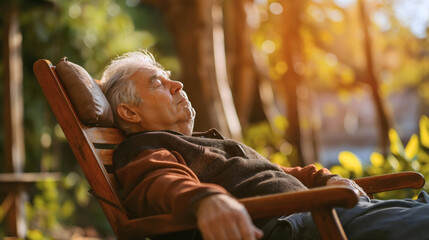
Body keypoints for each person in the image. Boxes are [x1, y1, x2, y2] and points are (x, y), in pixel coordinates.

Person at [101, 51, 429, 240]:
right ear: (131, 112)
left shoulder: (201, 145)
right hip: (294, 227)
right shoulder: (146, 149)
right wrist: (207, 200)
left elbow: (279, 172)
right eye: (157, 82)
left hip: (324, 212)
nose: (178, 84)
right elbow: (161, 183)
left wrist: (324, 180)